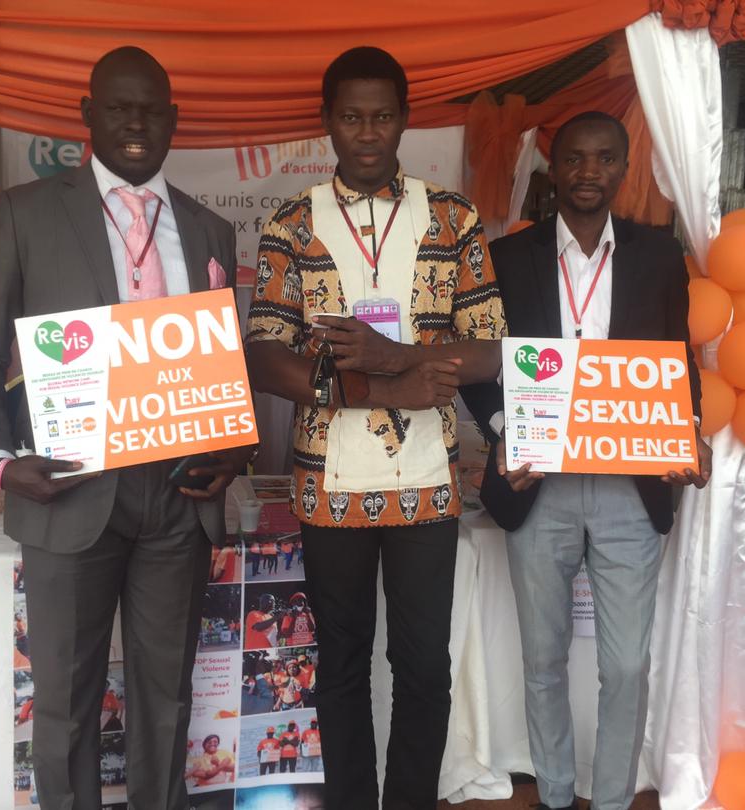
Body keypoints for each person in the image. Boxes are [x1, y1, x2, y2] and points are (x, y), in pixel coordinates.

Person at [0, 46, 254, 810]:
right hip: (69, 489)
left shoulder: (210, 230)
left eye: (151, 110)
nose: (136, 123)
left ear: (173, 120)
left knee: (167, 696)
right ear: (88, 115)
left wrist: (233, 449)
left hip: (179, 497)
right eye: (119, 108)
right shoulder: (27, 213)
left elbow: (223, 364)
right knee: (65, 704)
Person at [245, 46, 504, 810]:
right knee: (342, 661)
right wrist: (375, 384)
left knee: (423, 667)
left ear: (404, 119)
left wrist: (400, 355)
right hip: (329, 482)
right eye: (352, 117)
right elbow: (264, 354)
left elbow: (490, 346)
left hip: (427, 479)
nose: (367, 132)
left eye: (382, 116)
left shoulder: (452, 216)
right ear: (328, 122)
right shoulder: (292, 223)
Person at [460, 111, 712, 810]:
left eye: (604, 158)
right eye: (575, 158)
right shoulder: (509, 257)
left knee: (626, 663)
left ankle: (610, 801)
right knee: (542, 658)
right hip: (538, 482)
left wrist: (684, 431)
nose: (589, 172)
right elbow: (479, 363)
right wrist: (508, 432)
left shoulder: (658, 255)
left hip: (630, 485)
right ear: (555, 167)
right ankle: (555, 794)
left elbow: (677, 359)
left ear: (624, 170)